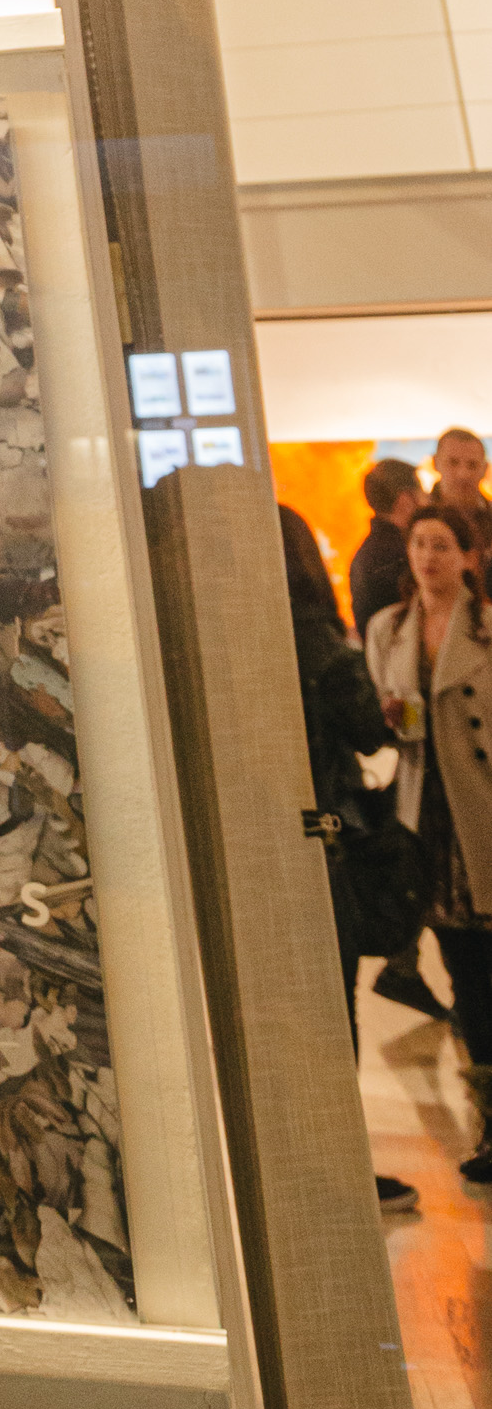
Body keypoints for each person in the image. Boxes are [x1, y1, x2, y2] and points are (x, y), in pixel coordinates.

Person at [279, 505, 421, 1215]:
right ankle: (336, 1173)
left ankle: (284, 1168)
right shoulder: (314, 639)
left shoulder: (219, 636)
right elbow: (368, 731)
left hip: (256, 844)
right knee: (331, 1012)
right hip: (320, 840)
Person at [366, 501, 492, 1188]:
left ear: (468, 557)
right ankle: (489, 1124)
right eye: (418, 545)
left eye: (441, 546)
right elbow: (389, 720)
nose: (427, 558)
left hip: (484, 813)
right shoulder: (389, 628)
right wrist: (390, 720)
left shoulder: (486, 624)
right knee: (465, 979)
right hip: (429, 823)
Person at [350, 460, 448, 1020]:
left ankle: (406, 963)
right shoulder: (387, 568)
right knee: (429, 862)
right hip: (420, 737)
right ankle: (405, 964)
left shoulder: (370, 555)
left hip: (415, 735)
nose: (428, 558)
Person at [350, 458, 423, 639]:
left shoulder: (363, 554)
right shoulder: (405, 554)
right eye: (420, 491)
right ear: (405, 499)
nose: (426, 499)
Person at [429, 429, 492, 574]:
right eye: (453, 463)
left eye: (472, 465)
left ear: (485, 469)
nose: (463, 474)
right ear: (435, 463)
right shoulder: (417, 518)